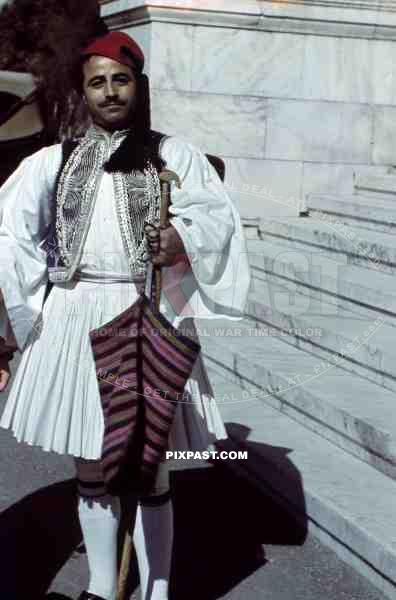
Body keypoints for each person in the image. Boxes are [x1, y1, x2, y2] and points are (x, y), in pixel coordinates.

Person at [0, 30, 250, 600]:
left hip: (147, 311)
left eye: (121, 79)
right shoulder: (54, 161)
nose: (110, 92)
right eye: (97, 83)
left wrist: (179, 239)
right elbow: (10, 232)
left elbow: (217, 218)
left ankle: (157, 587)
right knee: (92, 462)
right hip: (76, 315)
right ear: (83, 92)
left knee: (150, 465)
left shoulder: (173, 155)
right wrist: (28, 310)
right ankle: (101, 587)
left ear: (137, 86)